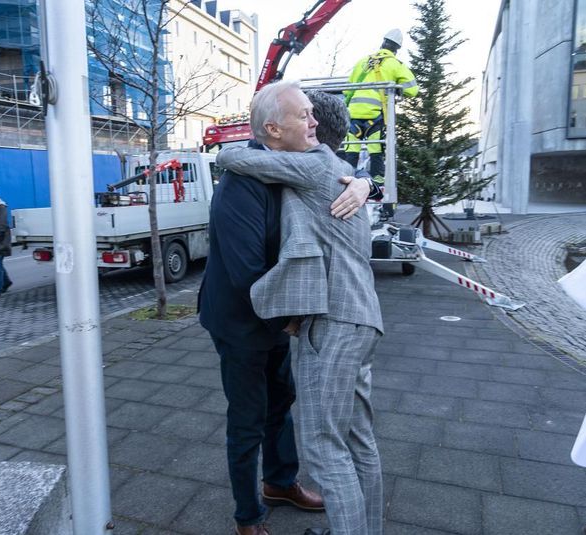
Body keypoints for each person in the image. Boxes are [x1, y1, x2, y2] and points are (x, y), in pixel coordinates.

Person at [198, 85, 373, 534]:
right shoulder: (242, 183)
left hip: (284, 314)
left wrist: (363, 185)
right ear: (273, 130)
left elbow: (335, 171)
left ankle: (279, 482)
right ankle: (248, 514)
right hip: (243, 319)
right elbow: (244, 273)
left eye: (313, 114)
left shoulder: (296, 166)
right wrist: (293, 321)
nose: (313, 123)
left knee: (284, 402)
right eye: (304, 115)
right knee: (247, 418)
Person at [343, 28, 418, 187]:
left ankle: (347, 178)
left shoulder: (363, 61)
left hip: (354, 113)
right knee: (375, 147)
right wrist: (398, 88)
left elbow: (347, 89)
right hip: (374, 114)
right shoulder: (395, 64)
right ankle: (377, 179)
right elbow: (413, 90)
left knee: (352, 148)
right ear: (396, 49)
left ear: (383, 42)